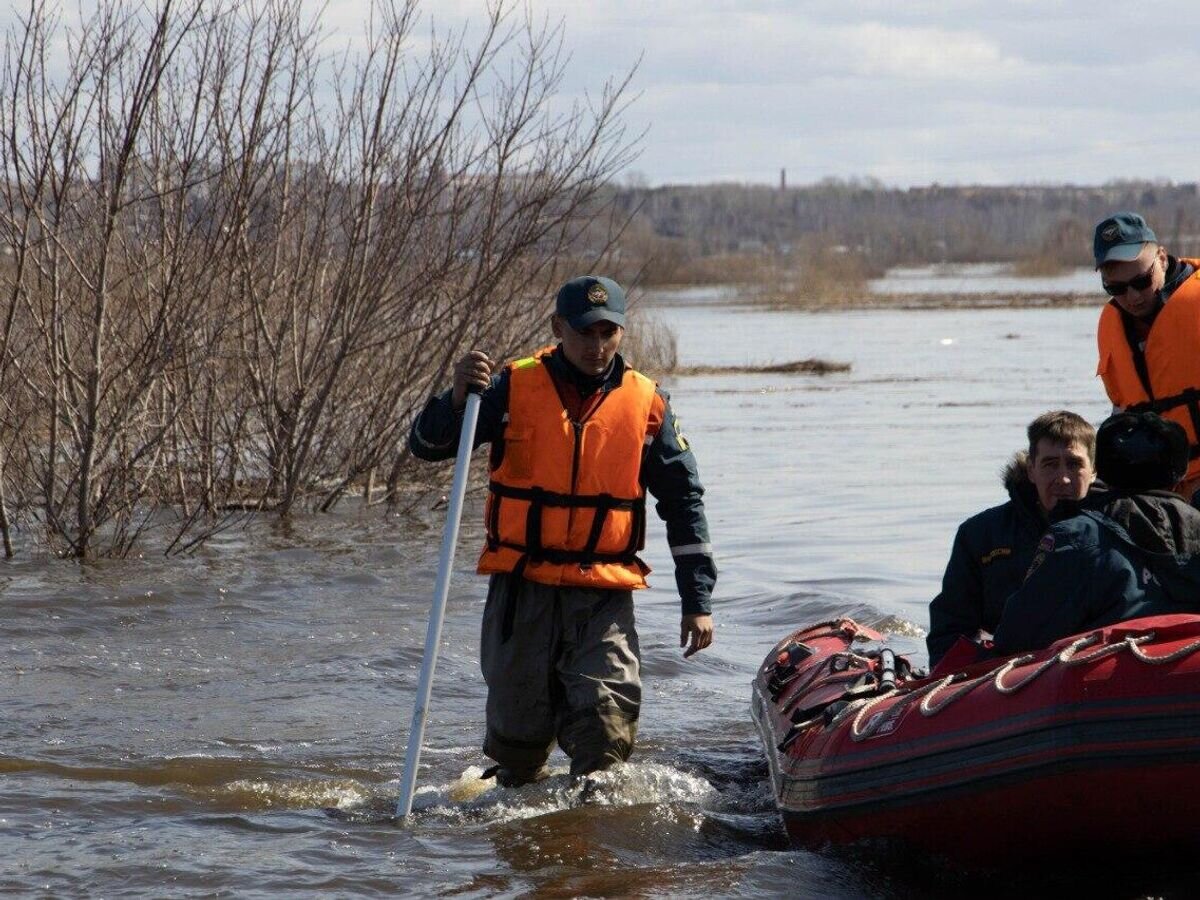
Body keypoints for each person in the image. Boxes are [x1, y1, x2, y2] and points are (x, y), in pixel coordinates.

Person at [408, 275, 716, 787]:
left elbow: (684, 503)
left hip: (602, 593)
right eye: (584, 333)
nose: (596, 346)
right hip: (522, 588)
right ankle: (517, 823)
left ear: (620, 332)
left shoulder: (648, 404)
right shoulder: (510, 385)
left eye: (607, 333)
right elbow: (427, 445)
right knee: (518, 742)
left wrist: (697, 600)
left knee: (604, 729)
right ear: (558, 327)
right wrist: (458, 398)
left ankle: (590, 845)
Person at [993, 412, 1200, 655]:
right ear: (1179, 472)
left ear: (1099, 469)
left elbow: (1017, 635)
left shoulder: (1075, 535)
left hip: (1108, 676)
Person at [926, 411, 1096, 667]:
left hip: (1090, 666)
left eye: (1074, 464)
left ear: (1093, 471)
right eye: (1050, 464)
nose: (1063, 478)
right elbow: (950, 629)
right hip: (1008, 675)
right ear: (1031, 470)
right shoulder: (980, 535)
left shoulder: (1117, 531)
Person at [1093, 211, 1200, 501]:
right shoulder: (1111, 326)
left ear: (1162, 259)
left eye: (1141, 281)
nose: (1132, 297)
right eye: (1116, 288)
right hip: (1155, 491)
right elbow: (1121, 409)